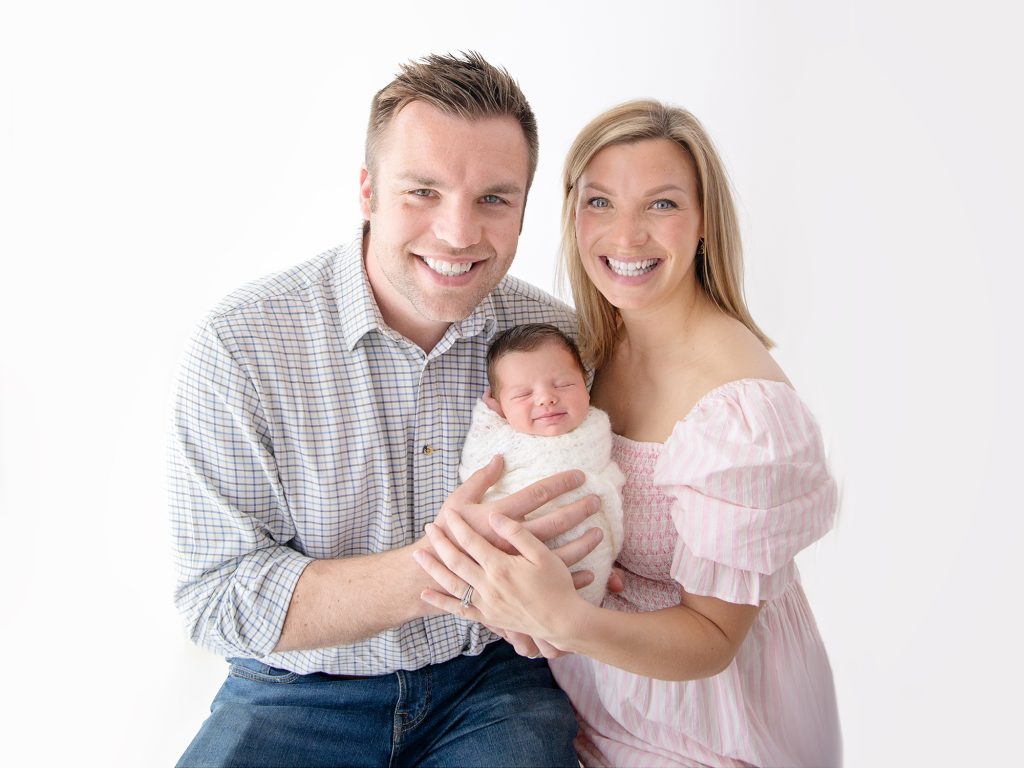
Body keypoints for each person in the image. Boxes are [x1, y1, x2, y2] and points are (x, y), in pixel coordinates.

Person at [169, 52, 608, 768]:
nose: (459, 233)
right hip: (295, 689)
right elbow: (218, 599)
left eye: (494, 198)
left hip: (493, 683)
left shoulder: (563, 346)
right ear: (368, 191)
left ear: (526, 208)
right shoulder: (242, 343)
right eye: (423, 192)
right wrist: (449, 567)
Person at [417, 99, 843, 767]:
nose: (626, 235)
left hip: (710, 719)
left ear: (704, 222)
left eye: (662, 204)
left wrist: (563, 620)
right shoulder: (587, 356)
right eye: (600, 203)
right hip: (595, 697)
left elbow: (713, 641)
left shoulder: (741, 411)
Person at [459, 323, 624, 605]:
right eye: (523, 395)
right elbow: (473, 467)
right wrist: (487, 417)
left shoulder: (596, 426)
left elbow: (611, 477)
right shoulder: (502, 438)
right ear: (501, 406)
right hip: (518, 564)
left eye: (563, 384)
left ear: (586, 385)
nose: (547, 398)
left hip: (592, 552)